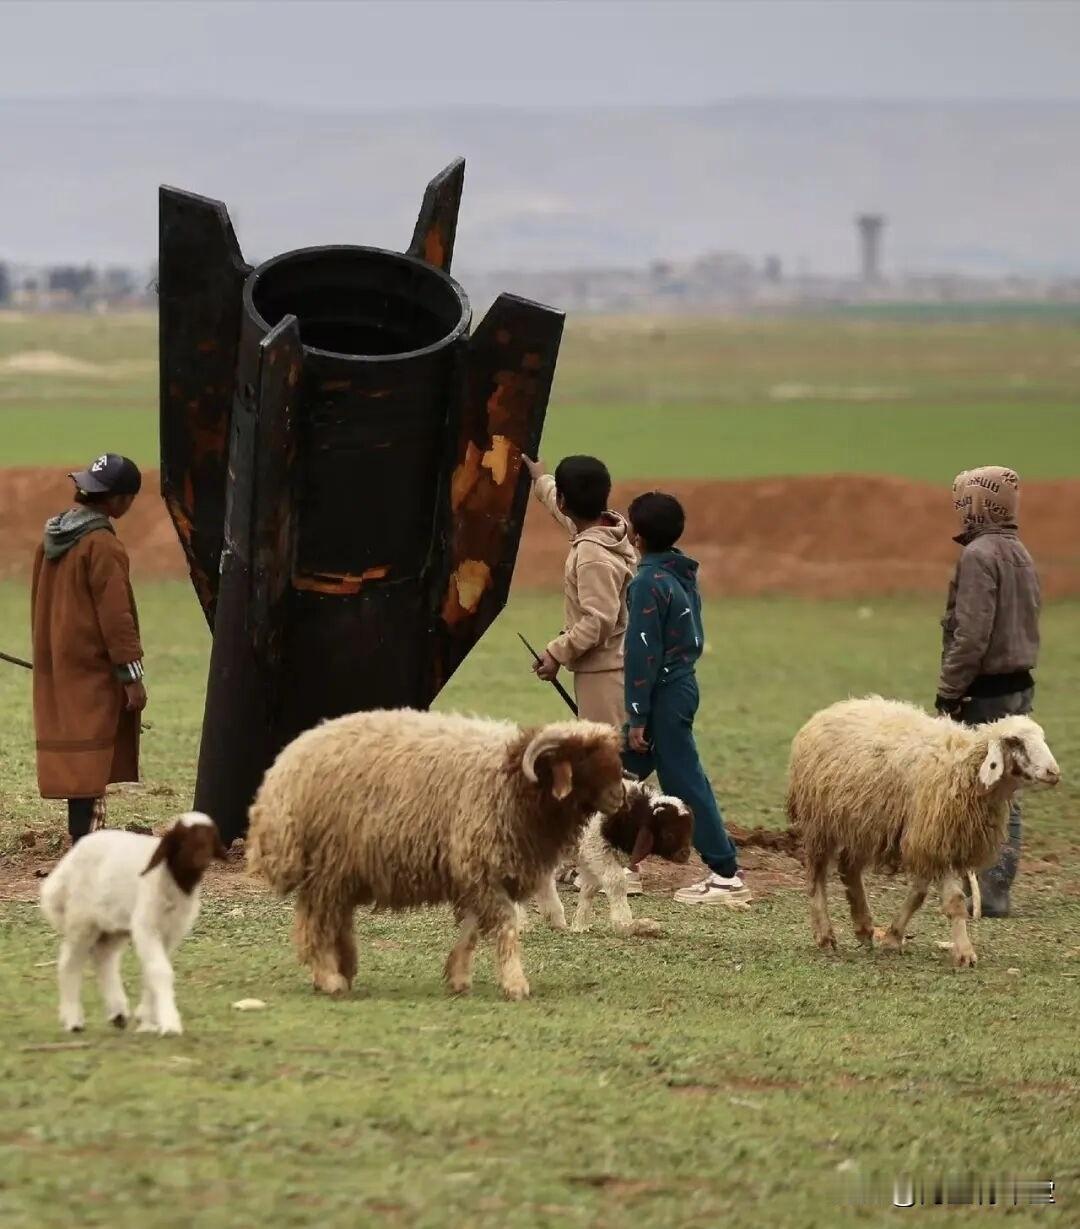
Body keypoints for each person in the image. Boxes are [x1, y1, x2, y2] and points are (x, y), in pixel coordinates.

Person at [621, 491, 751, 907]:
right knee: (622, 771)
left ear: (636, 536)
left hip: (664, 693)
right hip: (680, 685)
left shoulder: (646, 583)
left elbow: (643, 652)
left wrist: (638, 714)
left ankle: (726, 873)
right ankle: (609, 859)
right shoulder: (679, 572)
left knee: (683, 782)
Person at [523, 453, 638, 890]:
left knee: (609, 768)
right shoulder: (609, 529)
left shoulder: (591, 557)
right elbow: (569, 515)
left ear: (570, 501)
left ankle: (621, 867)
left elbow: (598, 619)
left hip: (602, 669)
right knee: (609, 762)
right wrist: (541, 480)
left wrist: (556, 652)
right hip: (615, 664)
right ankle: (608, 857)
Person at [935, 466, 1040, 918]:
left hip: (986, 690)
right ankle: (997, 890)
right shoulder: (1020, 552)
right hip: (1019, 686)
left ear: (977, 503)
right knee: (1007, 791)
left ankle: (984, 892)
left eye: (962, 501)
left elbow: (972, 633)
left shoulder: (979, 555)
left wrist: (950, 690)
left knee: (977, 790)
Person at [31, 453, 147, 845]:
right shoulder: (102, 546)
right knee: (93, 752)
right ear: (118, 500)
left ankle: (82, 835)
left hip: (59, 658)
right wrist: (132, 678)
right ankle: (88, 842)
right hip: (93, 666)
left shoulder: (53, 538)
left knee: (79, 751)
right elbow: (118, 620)